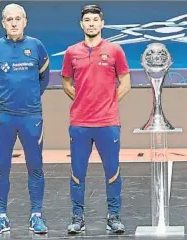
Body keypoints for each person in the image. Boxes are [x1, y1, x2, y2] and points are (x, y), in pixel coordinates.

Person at [61, 4, 131, 234]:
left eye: (95, 20)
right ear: (82, 24)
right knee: (77, 173)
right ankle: (77, 217)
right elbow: (67, 84)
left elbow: (126, 82)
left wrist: (108, 101)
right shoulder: (71, 52)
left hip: (108, 123)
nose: (91, 23)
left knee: (112, 171)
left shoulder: (115, 50)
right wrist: (83, 100)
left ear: (102, 23)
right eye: (87, 20)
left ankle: (114, 216)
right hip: (80, 123)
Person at [0, 3, 50, 235]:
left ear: (25, 21)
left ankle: (36, 216)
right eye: (8, 19)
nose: (13, 23)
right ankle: (1, 217)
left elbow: (43, 80)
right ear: (3, 23)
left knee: (36, 167)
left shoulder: (36, 46)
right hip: (3, 117)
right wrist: (5, 101)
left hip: (31, 117)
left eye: (17, 18)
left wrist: (28, 101)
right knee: (1, 167)